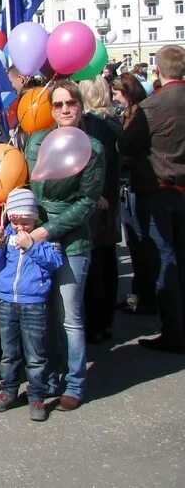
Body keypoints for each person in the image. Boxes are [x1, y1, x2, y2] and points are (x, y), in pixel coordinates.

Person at [25, 81, 104, 410]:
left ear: (81, 106)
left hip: (72, 242)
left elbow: (87, 202)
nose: (65, 109)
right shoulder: (38, 140)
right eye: (57, 105)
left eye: (71, 103)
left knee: (68, 316)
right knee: (42, 313)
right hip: (37, 239)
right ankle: (50, 377)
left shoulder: (93, 147)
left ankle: (74, 383)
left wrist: (48, 230)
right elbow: (27, 181)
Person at [120, 45, 185, 354]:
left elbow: (127, 145)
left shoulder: (153, 106)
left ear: (158, 70)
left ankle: (174, 330)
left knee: (166, 260)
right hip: (177, 189)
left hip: (159, 188)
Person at [0, 189, 64, 422]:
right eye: (14, 220)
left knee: (35, 355)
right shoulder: (8, 234)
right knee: (9, 352)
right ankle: (8, 391)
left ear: (34, 218)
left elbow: (55, 262)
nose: (20, 227)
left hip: (33, 302)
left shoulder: (44, 237)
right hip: (7, 300)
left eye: (25, 221)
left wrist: (32, 245)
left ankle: (36, 396)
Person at [78, 77, 122, 344]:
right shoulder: (114, 123)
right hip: (110, 198)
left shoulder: (93, 126)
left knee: (95, 265)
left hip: (98, 199)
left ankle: (95, 323)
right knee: (107, 261)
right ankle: (105, 322)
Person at [111, 73, 157, 314]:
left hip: (135, 184)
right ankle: (141, 291)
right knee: (135, 241)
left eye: (117, 94)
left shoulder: (139, 115)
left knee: (140, 241)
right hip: (130, 184)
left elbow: (127, 147)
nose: (114, 99)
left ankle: (146, 295)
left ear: (127, 93)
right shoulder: (129, 114)